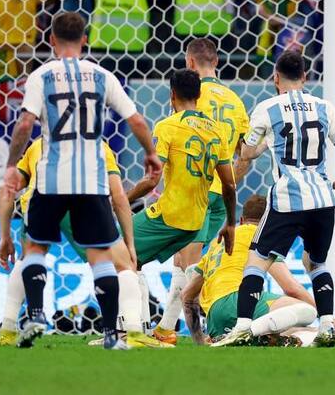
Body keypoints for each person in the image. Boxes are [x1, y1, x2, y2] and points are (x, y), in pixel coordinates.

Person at [0, 12, 163, 350]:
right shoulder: (103, 76)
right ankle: (112, 336)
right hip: (92, 179)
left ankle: (37, 316)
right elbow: (136, 120)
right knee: (101, 257)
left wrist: (12, 164)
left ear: (52, 41)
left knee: (35, 248)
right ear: (85, 40)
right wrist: (150, 153)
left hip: (51, 177)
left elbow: (26, 124)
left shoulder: (41, 75)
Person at [217, 50, 335, 348]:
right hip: (322, 199)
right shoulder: (324, 107)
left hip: (287, 199)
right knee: (316, 263)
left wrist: (263, 143)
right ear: (305, 77)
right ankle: (327, 325)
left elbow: (246, 153)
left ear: (275, 78)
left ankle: (241, 326)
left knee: (257, 259)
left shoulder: (268, 108)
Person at [0, 138, 167, 348]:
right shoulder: (99, 147)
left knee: (27, 260)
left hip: (39, 202)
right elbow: (119, 196)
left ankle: (7, 329)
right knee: (124, 266)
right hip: (81, 203)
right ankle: (132, 333)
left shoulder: (39, 145)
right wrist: (129, 242)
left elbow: (8, 190)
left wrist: (4, 236)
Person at [124, 69, 236, 333]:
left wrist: (120, 200)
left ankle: (132, 331)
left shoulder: (168, 126)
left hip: (170, 215)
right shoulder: (216, 131)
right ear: (199, 95)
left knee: (119, 252)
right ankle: (169, 330)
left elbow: (152, 180)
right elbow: (229, 184)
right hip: (197, 221)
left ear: (172, 95)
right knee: (144, 262)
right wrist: (231, 223)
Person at [152, 39, 248, 346]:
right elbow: (244, 153)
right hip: (223, 193)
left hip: (195, 191)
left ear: (190, 63)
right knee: (184, 261)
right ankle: (167, 329)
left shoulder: (193, 95)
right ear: (217, 61)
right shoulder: (236, 101)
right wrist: (230, 181)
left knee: (188, 262)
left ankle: (198, 324)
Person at [180, 194, 318, 345]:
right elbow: (292, 289)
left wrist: (199, 341)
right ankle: (249, 333)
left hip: (215, 318)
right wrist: (326, 317)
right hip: (240, 301)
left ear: (241, 220)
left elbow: (187, 296)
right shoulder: (260, 236)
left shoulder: (216, 245)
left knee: (307, 333)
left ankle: (246, 337)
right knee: (307, 311)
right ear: (269, 222)